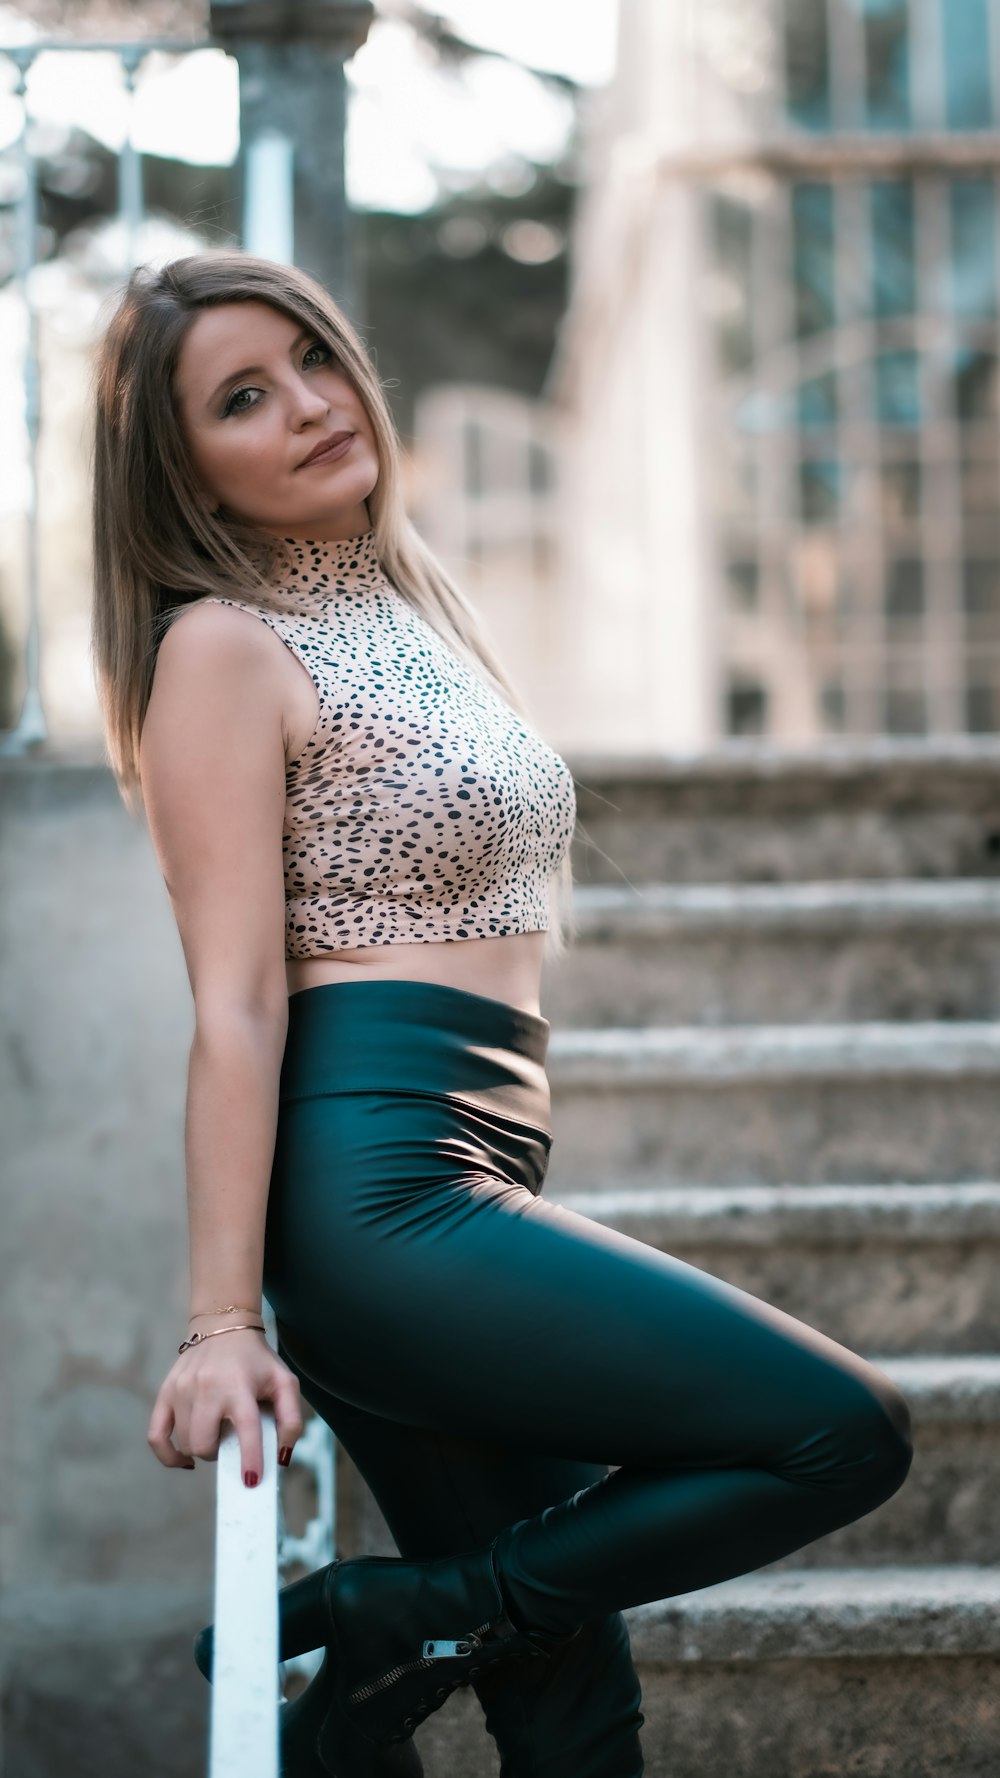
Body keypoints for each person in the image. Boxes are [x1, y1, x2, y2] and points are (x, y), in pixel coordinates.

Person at [90, 251, 913, 1778]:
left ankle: (391, 1665)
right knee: (838, 1428)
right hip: (380, 1202)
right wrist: (219, 1322)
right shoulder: (221, 647)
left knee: (574, 1709)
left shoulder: (405, 604)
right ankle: (405, 1614)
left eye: (315, 359)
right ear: (180, 468)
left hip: (469, 1166)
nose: (314, 407)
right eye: (243, 398)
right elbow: (237, 1006)